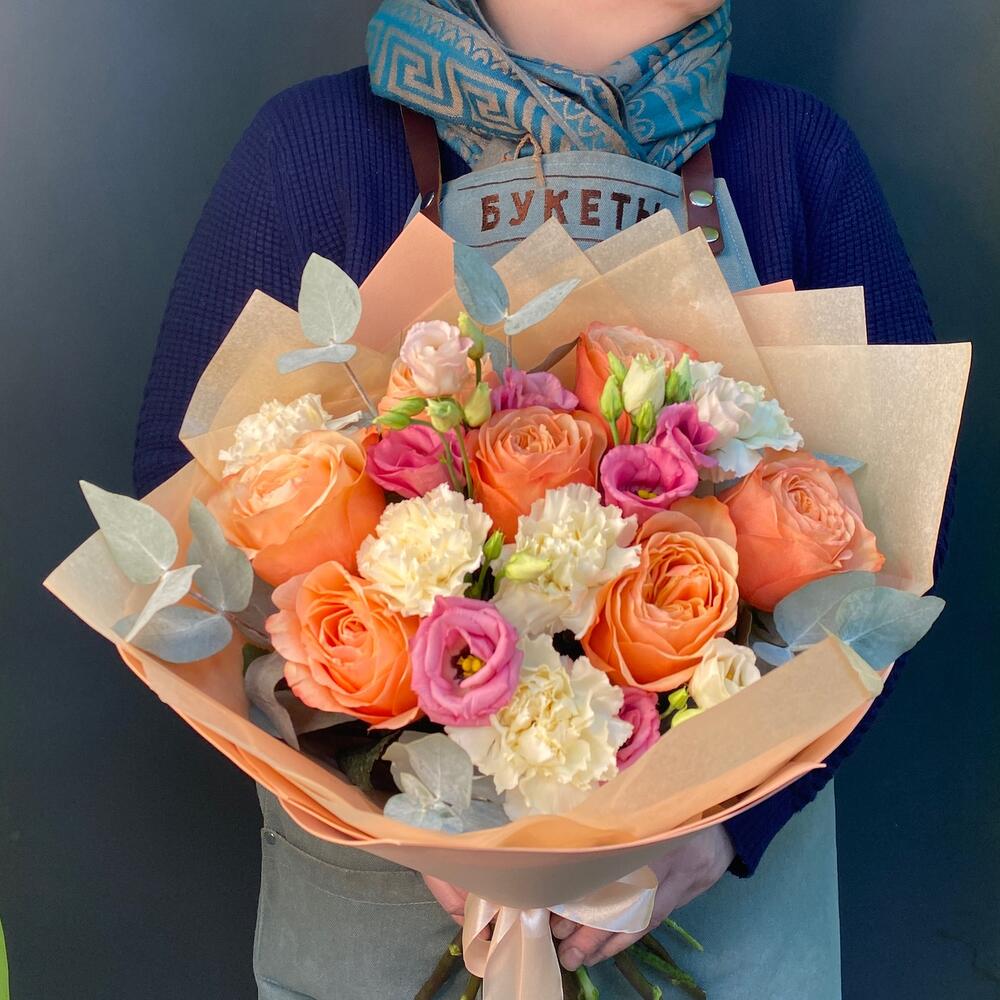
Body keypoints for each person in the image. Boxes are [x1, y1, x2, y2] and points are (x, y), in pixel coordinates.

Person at [133, 2, 950, 997]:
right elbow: (185, 516)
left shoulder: (793, 152)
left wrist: (727, 827)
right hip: (383, 920)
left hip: (721, 923)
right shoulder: (316, 149)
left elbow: (901, 540)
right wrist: (407, 809)